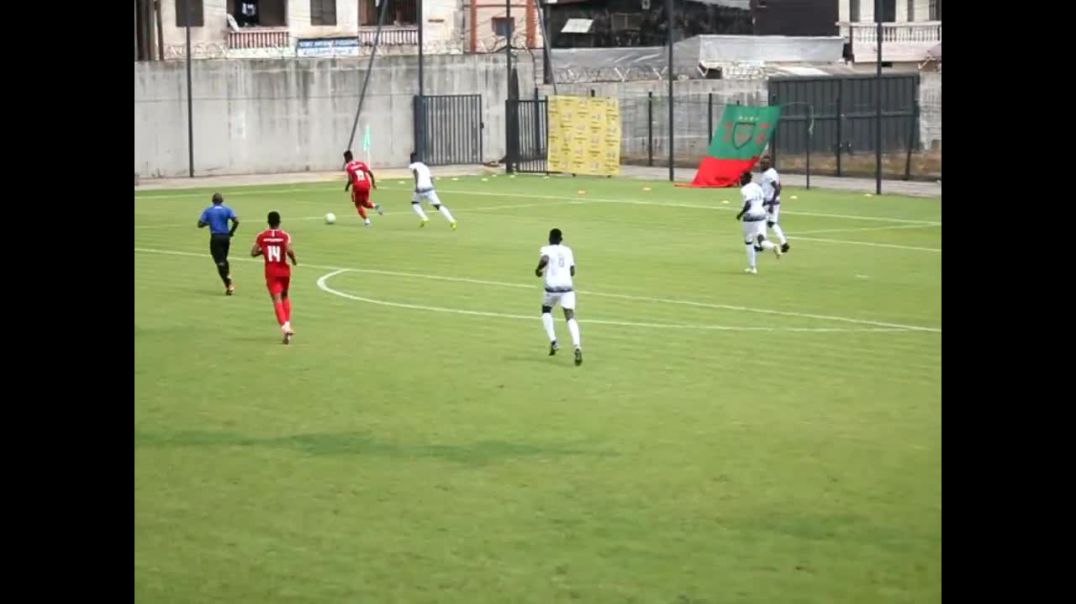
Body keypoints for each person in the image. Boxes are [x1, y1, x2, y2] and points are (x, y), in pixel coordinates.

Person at [535, 228, 582, 365]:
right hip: (567, 288)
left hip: (551, 288)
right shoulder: (568, 250)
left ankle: (553, 341)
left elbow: (544, 259)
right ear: (561, 239)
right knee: (570, 316)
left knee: (546, 310)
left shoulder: (546, 249)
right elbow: (572, 271)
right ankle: (577, 346)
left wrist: (538, 269)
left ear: (549, 239)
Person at [251, 211, 298, 344]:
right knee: (285, 296)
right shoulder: (284, 235)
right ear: (279, 222)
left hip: (271, 271)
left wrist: (263, 251)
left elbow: (253, 252)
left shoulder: (262, 236)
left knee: (276, 299)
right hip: (284, 270)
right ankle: (287, 325)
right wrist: (294, 260)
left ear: (268, 222)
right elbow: (289, 250)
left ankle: (285, 328)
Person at [735, 171, 781, 274]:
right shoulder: (757, 186)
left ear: (747, 179)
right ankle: (773, 246)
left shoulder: (744, 189)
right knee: (761, 240)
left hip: (750, 217)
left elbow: (748, 205)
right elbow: (764, 201)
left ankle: (753, 267)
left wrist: (740, 214)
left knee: (748, 241)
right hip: (761, 215)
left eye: (741, 178)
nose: (740, 180)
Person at [197, 192, 239, 295]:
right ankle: (228, 275)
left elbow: (199, 224)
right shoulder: (227, 209)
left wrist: (209, 223)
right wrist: (231, 232)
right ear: (222, 201)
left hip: (216, 238)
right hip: (225, 238)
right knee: (224, 260)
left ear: (212, 201)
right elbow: (236, 221)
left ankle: (229, 285)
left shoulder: (208, 210)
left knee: (219, 262)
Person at [408, 152, 457, 229]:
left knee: (415, 203)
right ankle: (452, 220)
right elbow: (431, 178)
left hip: (420, 187)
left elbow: (416, 173)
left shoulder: (413, 165)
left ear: (411, 159)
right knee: (438, 205)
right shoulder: (425, 167)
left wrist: (417, 185)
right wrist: (432, 187)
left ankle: (424, 217)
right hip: (430, 187)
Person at [343, 150, 383, 227]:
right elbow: (370, 173)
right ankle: (375, 206)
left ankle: (367, 221)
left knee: (358, 205)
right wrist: (374, 184)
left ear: (346, 158)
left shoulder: (348, 166)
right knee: (364, 203)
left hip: (358, 186)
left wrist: (346, 187)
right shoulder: (361, 163)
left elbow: (351, 180)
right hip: (367, 184)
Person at [759, 156, 790, 253]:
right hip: (775, 201)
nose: (762, 165)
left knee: (761, 222)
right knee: (771, 223)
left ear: (769, 164)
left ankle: (761, 244)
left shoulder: (768, 174)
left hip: (769, 203)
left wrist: (771, 204)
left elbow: (777, 188)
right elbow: (780, 186)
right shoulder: (773, 172)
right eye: (761, 163)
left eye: (764, 163)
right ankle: (784, 243)